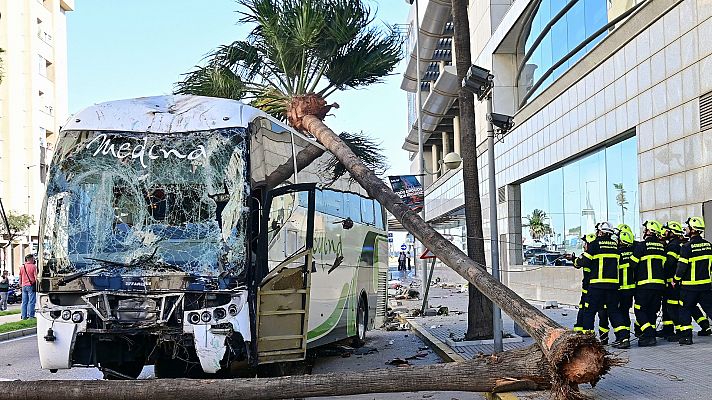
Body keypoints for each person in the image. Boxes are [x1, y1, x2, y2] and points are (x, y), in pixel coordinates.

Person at [578, 222, 629, 347]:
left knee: (589, 312)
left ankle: (588, 341)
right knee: (614, 311)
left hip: (597, 286)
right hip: (613, 287)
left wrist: (575, 261)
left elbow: (585, 261)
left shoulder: (595, 244)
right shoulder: (616, 246)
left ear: (600, 232)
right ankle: (623, 338)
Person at [673, 217, 712, 345]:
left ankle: (686, 337)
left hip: (689, 287)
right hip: (706, 286)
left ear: (693, 230)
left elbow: (681, 267)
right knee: (710, 309)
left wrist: (675, 280)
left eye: (688, 227)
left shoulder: (687, 247)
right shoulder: (708, 245)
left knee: (684, 310)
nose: (686, 229)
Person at [632, 220, 666, 347]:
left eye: (646, 229)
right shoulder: (662, 247)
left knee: (639, 310)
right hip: (659, 286)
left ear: (649, 231)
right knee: (652, 311)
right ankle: (649, 336)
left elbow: (632, 264)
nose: (644, 231)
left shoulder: (641, 246)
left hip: (644, 285)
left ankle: (649, 333)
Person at [573, 233, 610, 343]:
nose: (584, 246)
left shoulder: (589, 257)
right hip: (601, 289)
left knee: (587, 312)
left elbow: (578, 263)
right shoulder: (598, 256)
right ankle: (604, 338)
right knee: (603, 314)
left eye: (585, 243)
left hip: (590, 291)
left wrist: (574, 259)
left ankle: (587, 338)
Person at [611, 230, 636, 349]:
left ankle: (623, 338)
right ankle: (624, 337)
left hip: (619, 288)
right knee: (625, 312)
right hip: (631, 289)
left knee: (617, 312)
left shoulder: (617, 253)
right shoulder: (633, 252)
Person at [20, 254, 37, 319]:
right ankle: (31, 316)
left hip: (24, 286)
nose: (34, 260)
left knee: (24, 302)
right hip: (31, 285)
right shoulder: (33, 266)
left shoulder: (22, 267)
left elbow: (20, 277)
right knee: (31, 301)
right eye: (33, 259)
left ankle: (24, 316)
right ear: (30, 259)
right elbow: (35, 277)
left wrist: (20, 285)